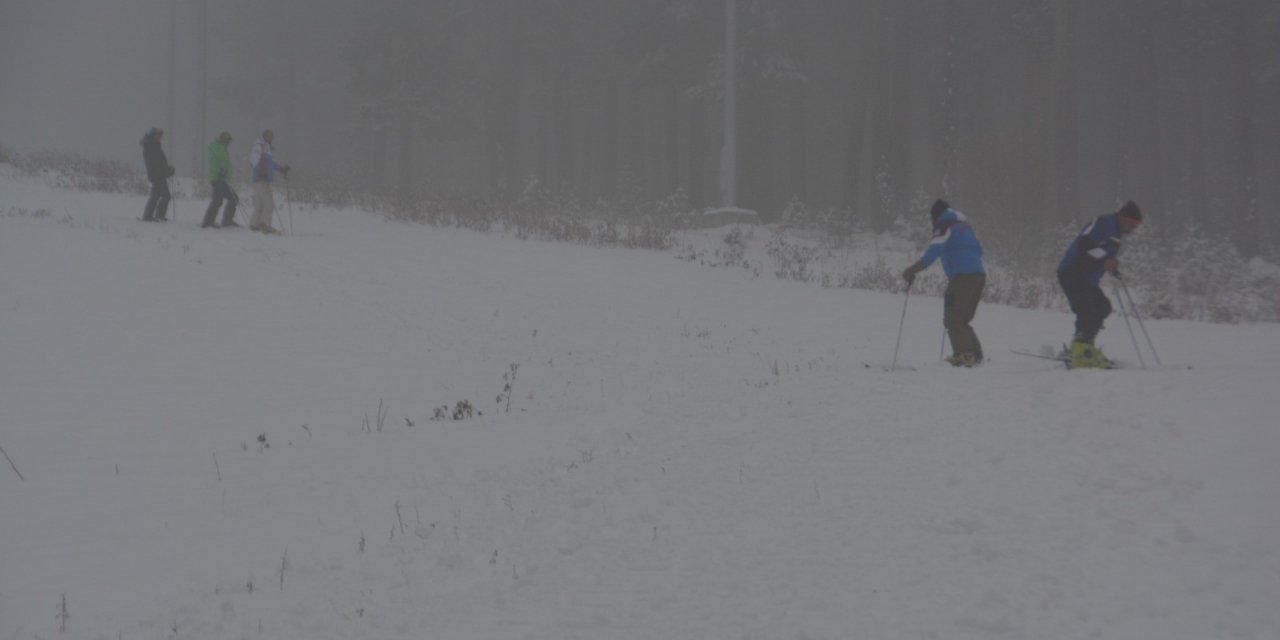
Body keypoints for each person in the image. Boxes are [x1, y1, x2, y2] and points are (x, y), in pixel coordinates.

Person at [1056, 200, 1143, 369]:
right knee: (1087, 310)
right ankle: (1081, 351)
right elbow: (1085, 244)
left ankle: (1083, 347)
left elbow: (1102, 256)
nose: (1133, 229)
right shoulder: (1105, 223)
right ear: (1122, 217)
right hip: (1073, 272)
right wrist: (1106, 259)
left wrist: (1112, 267)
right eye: (1132, 224)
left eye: (1136, 226)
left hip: (1087, 278)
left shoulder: (1116, 234)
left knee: (1102, 307)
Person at [901, 199, 987, 367]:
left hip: (962, 276)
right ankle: (975, 354)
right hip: (979, 275)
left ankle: (965, 355)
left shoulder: (944, 225)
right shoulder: (965, 227)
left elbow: (934, 251)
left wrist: (912, 270)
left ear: (935, 215)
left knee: (953, 319)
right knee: (962, 319)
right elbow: (979, 250)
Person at [247, 129, 290, 234]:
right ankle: (265, 225)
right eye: (269, 136)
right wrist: (261, 171)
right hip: (262, 179)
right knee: (269, 203)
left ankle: (254, 224)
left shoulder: (265, 148)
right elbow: (253, 161)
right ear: (264, 137)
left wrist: (280, 168)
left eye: (271, 137)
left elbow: (270, 164)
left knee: (260, 204)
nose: (271, 138)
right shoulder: (260, 147)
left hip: (259, 179)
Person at [201, 131, 239, 228]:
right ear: (222, 139)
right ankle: (208, 222)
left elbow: (226, 164)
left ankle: (227, 220)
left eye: (229, 140)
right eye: (227, 140)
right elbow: (213, 162)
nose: (228, 142)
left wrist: (228, 174)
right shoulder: (216, 147)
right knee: (218, 200)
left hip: (223, 179)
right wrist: (219, 171)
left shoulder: (223, 149)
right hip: (217, 178)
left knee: (233, 198)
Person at [140, 127, 175, 222]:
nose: (160, 138)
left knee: (162, 195)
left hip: (159, 175)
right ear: (153, 135)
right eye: (158, 136)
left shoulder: (154, 146)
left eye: (160, 136)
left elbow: (160, 163)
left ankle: (156, 215)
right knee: (159, 195)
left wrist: (167, 170)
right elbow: (156, 164)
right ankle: (149, 216)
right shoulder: (151, 146)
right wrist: (168, 170)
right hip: (157, 175)